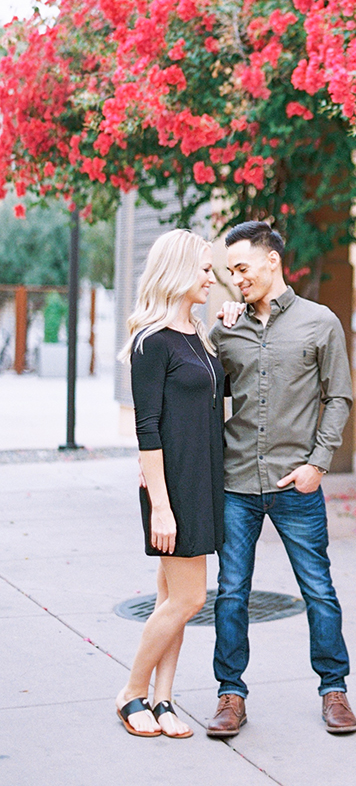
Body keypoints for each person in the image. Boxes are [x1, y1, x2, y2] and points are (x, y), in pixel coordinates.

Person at [206, 220, 356, 738]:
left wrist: (319, 462)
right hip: (237, 483)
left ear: (272, 260)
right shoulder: (226, 328)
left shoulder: (321, 322)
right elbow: (200, 391)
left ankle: (334, 690)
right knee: (230, 593)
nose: (236, 279)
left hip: (297, 485)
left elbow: (338, 396)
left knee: (318, 590)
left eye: (242, 268)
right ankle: (230, 695)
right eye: (230, 272)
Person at [115, 229, 226, 738]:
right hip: (172, 486)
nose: (212, 277)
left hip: (202, 479)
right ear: (179, 271)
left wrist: (231, 319)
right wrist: (161, 505)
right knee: (190, 599)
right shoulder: (151, 342)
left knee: (171, 597)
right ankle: (130, 693)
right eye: (204, 269)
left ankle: (163, 701)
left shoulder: (198, 337)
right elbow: (147, 427)